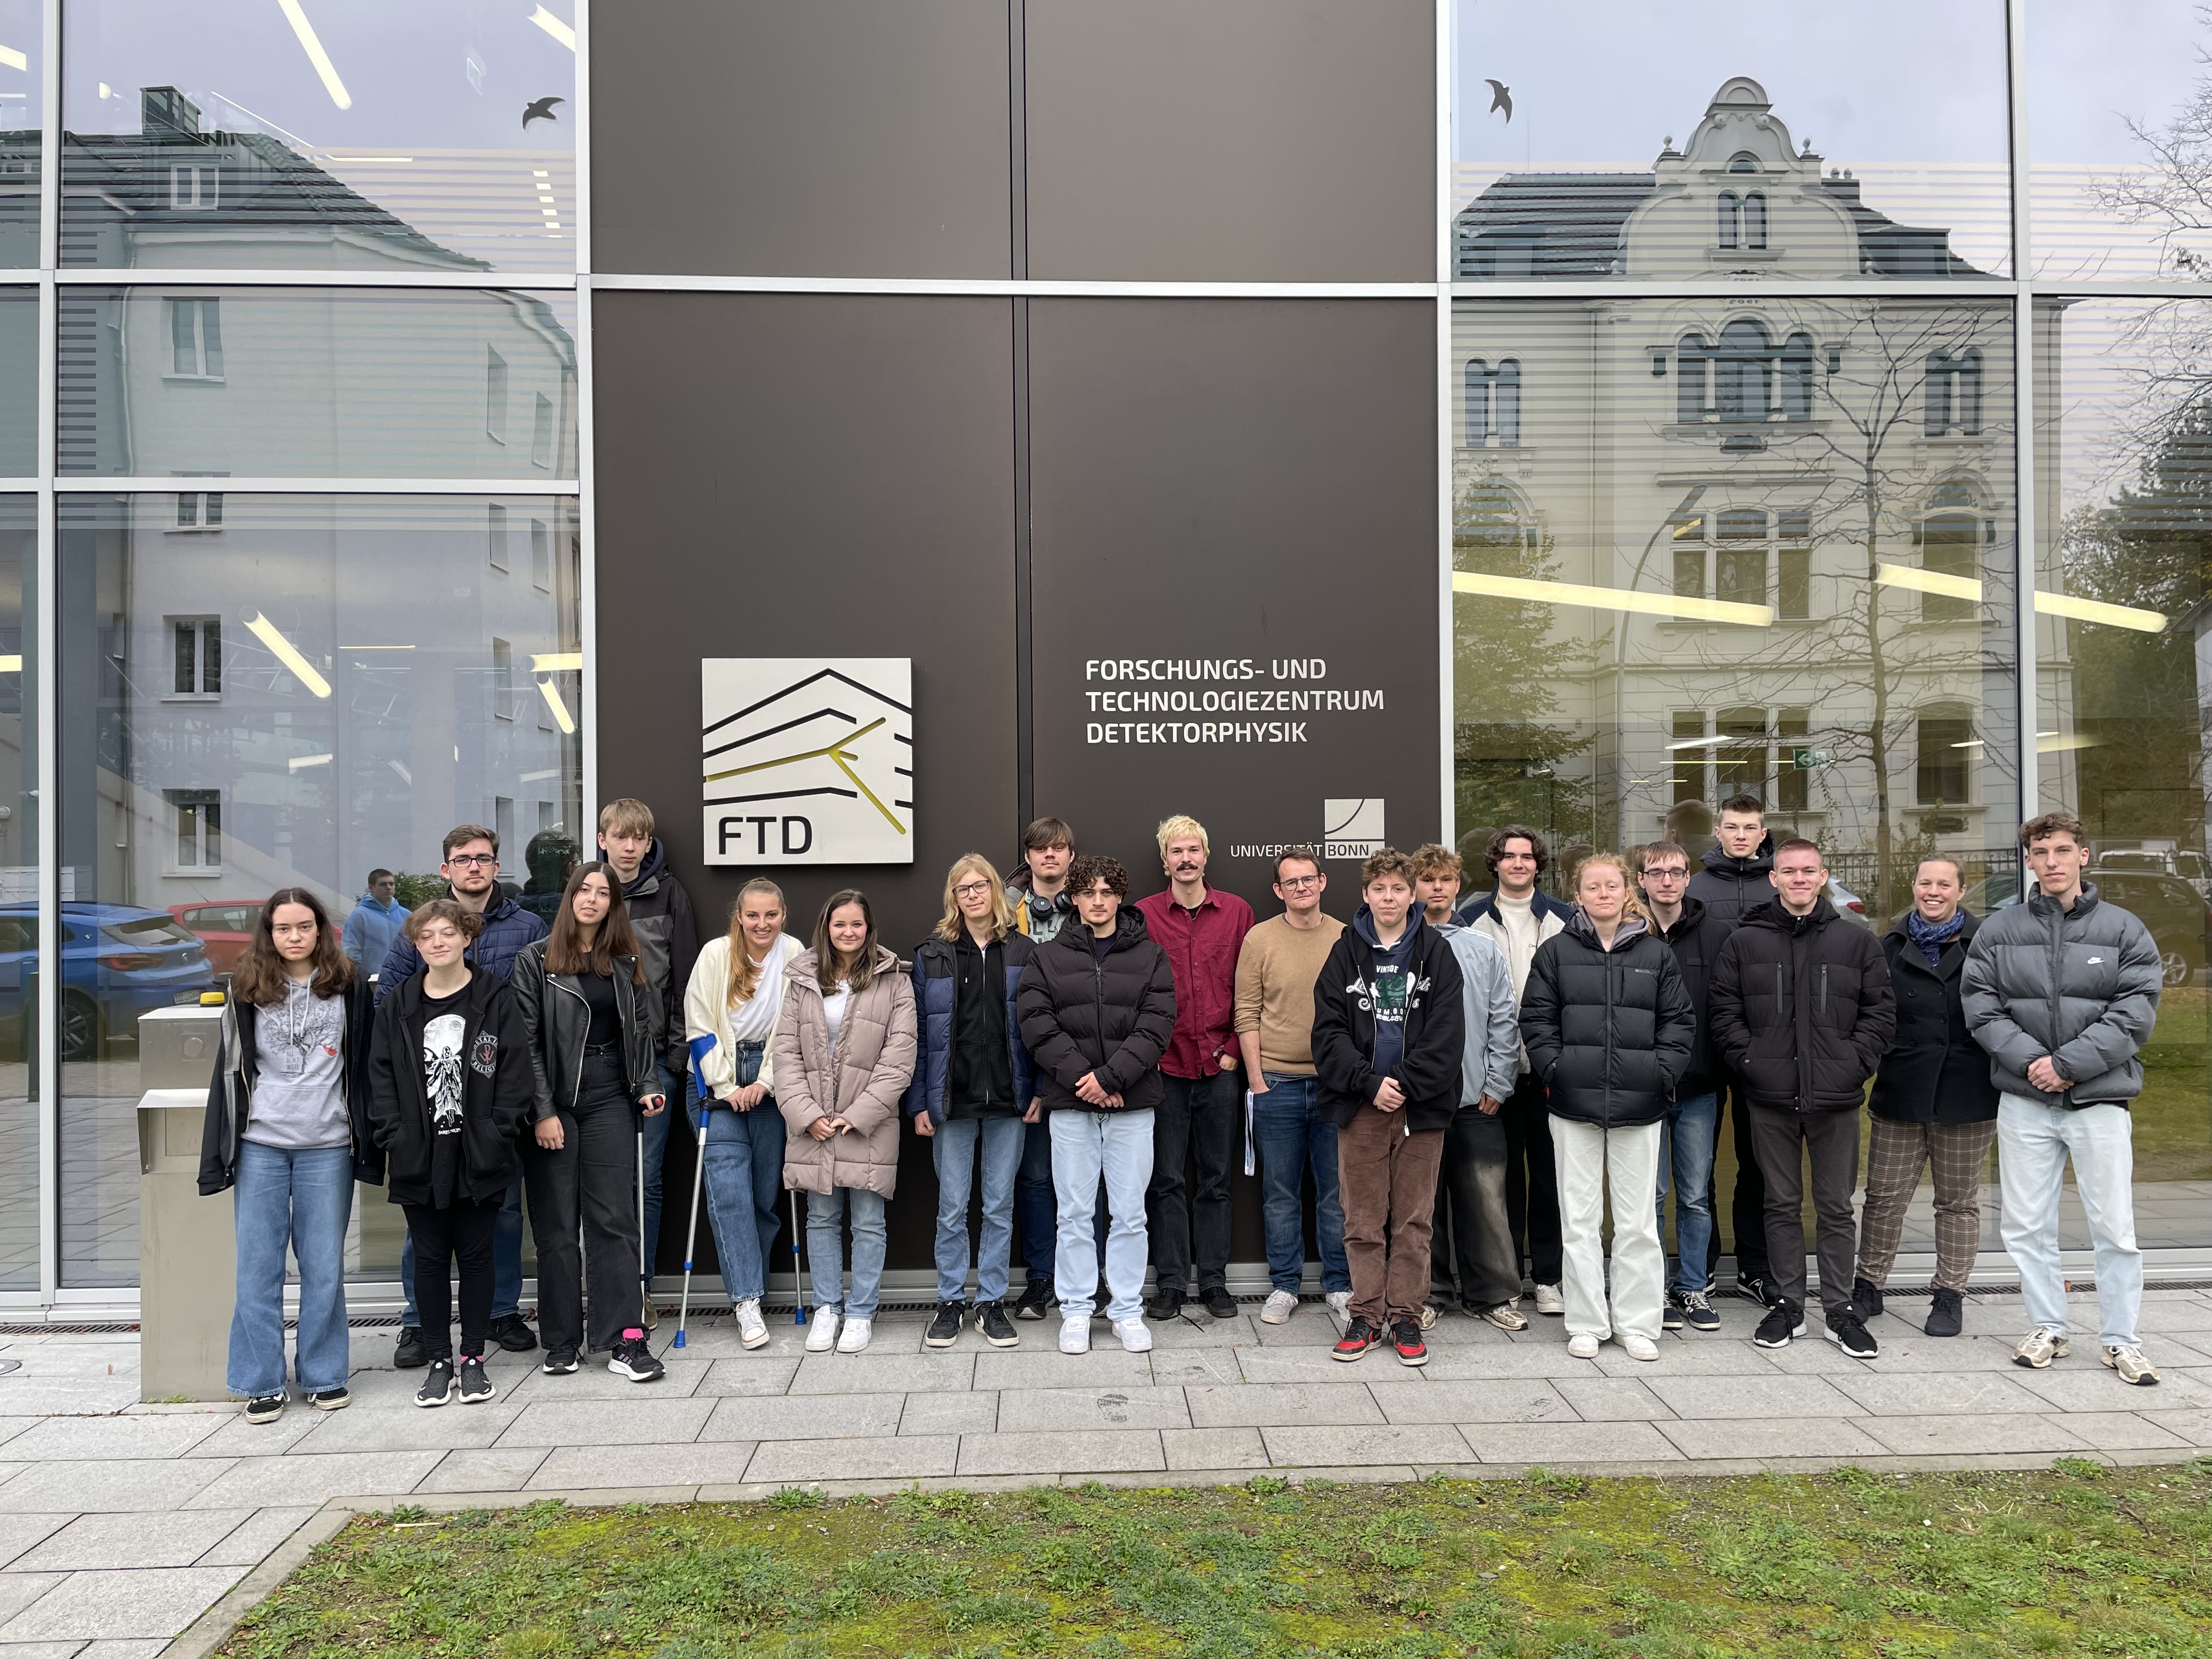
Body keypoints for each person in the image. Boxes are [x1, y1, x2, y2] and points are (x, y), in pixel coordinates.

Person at [1963, 813, 2165, 1385]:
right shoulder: (2000, 932)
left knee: (2115, 1228)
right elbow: (1980, 1005)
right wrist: (2033, 1064)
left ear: (2084, 856)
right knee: (2026, 1225)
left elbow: (2135, 1011)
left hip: (2099, 1100)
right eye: (2040, 852)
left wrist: (2069, 1066)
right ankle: (2048, 1325)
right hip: (2025, 1100)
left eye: (2061, 850)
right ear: (2028, 860)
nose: (2051, 861)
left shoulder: (2125, 931)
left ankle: (2122, 1339)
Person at [1708, 837, 1895, 1358]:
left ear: (1822, 876)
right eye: (1788, 871)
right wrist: (1751, 1063)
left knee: (1835, 1208)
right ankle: (1789, 1305)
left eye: (1807, 871)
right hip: (1769, 1095)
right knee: (1781, 1204)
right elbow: (1724, 1012)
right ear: (1773, 878)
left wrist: (1855, 1064)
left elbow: (1880, 1015)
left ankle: (1839, 1310)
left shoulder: (1856, 943)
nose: (1797, 879)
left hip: (1836, 1097)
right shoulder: (1744, 942)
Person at [201, 890, 381, 1424]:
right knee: (258, 1269)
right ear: (269, 933)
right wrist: (218, 1153)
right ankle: (261, 1381)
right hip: (261, 1145)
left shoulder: (349, 984)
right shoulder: (247, 987)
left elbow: (365, 1066)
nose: (295, 936)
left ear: (321, 931)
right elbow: (228, 1071)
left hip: (327, 1146)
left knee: (324, 1267)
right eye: (284, 928)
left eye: (305, 926)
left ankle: (325, 1374)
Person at [376, 826, 547, 1368]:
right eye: (462, 860)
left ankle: (500, 1312)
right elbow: (390, 1005)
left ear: (497, 867)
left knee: (502, 1216)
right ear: (446, 868)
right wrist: (394, 1129)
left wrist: (505, 1120)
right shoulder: (422, 927)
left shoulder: (528, 927)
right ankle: (417, 1325)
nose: (474, 867)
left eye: (483, 859)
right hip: (424, 1113)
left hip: (491, 1105)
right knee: (423, 1230)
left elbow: (534, 1012)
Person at [1521, 853, 1694, 1362]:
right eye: (1592, 887)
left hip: (1640, 1104)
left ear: (1626, 892)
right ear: (1578, 895)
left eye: (1611, 886)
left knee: (1638, 1221)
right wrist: (1556, 1071)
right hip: (1573, 1104)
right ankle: (1586, 1321)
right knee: (1579, 1218)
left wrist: (1660, 1075)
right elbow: (1536, 1020)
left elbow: (1680, 1024)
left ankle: (1637, 1323)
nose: (1602, 894)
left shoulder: (1656, 955)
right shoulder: (1554, 953)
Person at [511, 864, 669, 1383]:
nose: (593, 899)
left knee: (614, 1219)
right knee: (557, 1227)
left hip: (608, 1097)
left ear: (613, 905)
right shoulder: (534, 962)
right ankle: (560, 1341)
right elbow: (526, 1044)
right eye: (584, 889)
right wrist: (543, 1111)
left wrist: (647, 1085)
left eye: (604, 893)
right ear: (569, 896)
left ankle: (625, 1339)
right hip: (555, 1100)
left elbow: (641, 1030)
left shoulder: (624, 961)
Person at [1017, 855, 1177, 1356]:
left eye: (1108, 892)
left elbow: (1157, 1025)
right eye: (1089, 893)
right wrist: (1084, 1080)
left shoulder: (1150, 956)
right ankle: (1078, 1309)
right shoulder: (1047, 957)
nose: (1098, 901)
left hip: (1132, 1102)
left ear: (1120, 897)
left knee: (1130, 1214)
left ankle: (1127, 1309)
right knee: (1075, 1213)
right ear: (1076, 898)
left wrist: (1111, 1078)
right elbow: (1037, 1024)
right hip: (1071, 1102)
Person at [1314, 848, 1466, 1368]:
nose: (1388, 898)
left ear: (1412, 894)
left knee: (1414, 1220)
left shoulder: (1436, 953)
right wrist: (1368, 1083)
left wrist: (1400, 1083)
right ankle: (1365, 1315)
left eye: (1398, 889)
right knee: (1361, 1219)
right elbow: (1328, 1035)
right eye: (1379, 889)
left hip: (1421, 1109)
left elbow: (1447, 1035)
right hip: (1361, 1106)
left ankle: (1405, 1316)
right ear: (1365, 894)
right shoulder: (1343, 953)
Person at [1855, 856, 1999, 1339]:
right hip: (1902, 1086)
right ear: (1913, 887)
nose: (1933, 891)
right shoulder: (1887, 946)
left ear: (1961, 890)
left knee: (1958, 1203)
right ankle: (1868, 1285)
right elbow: (1870, 1012)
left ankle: (1949, 1294)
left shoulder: (1988, 945)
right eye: (1925, 883)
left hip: (1967, 1089)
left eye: (1944, 884)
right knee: (1883, 1198)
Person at [775, 889, 917, 1356]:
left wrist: (856, 1117)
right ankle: (826, 1308)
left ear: (868, 927)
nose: (849, 932)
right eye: (840, 925)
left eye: (857, 924)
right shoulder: (800, 979)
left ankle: (860, 1311)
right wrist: (807, 1115)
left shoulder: (894, 980)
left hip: (869, 1122)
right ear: (826, 928)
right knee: (821, 1218)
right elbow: (786, 1054)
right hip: (814, 1121)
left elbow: (900, 1058)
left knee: (869, 1221)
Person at [907, 855, 1037, 1350]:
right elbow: (918, 1035)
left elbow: (1040, 1026)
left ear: (996, 893)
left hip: (1009, 1099)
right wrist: (920, 1101)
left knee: (1000, 1207)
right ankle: (949, 1302)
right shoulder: (933, 955)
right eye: (964, 889)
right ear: (953, 898)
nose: (975, 894)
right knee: (951, 1208)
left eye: (982, 885)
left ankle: (991, 1302)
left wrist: (1040, 1090)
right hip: (951, 1100)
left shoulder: (1024, 950)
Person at [1134, 816, 1253, 1321]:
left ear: (1206, 855)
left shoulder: (1238, 913)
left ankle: (1214, 1281)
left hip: (1221, 1066)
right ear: (1165, 861)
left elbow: (1252, 988)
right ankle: (1169, 1283)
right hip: (1163, 1068)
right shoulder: (1140, 916)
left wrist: (1232, 1050)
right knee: (1165, 1180)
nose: (1185, 859)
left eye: (1193, 850)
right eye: (1175, 851)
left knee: (1216, 1180)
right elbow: (1130, 992)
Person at [1453, 825, 1569, 1316]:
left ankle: (1548, 1278)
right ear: (1495, 863)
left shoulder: (1566, 919)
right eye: (1509, 856)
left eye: (1527, 857)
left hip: (1549, 1070)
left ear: (1538, 864)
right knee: (1500, 1183)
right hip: (1491, 1075)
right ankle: (1508, 1275)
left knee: (1548, 1176)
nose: (1518, 864)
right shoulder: (1469, 920)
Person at [597, 799, 703, 1331]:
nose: (630, 846)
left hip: (656, 1062)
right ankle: (602, 1287)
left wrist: (678, 1055)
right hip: (596, 1065)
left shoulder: (669, 894)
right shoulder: (588, 895)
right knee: (601, 1178)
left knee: (648, 1178)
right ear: (603, 840)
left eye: (638, 837)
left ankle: (639, 1290)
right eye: (620, 836)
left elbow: (686, 981)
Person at [682, 878, 801, 1352]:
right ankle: (746, 1300)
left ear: (783, 915)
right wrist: (729, 1087)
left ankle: (754, 1282)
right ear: (739, 917)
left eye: (770, 915)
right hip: (719, 1080)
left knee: (762, 1198)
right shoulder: (715, 954)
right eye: (752, 915)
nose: (762, 924)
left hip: (773, 1077)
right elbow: (698, 1023)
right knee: (729, 1192)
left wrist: (765, 1084)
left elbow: (796, 1028)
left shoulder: (795, 954)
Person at [1234, 847, 1351, 1324]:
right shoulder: (1260, 939)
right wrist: (1258, 1081)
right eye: (1291, 882)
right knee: (1280, 1193)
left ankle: (1340, 1286)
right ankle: (1284, 1286)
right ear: (1279, 891)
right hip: (1276, 1084)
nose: (1301, 888)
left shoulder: (1348, 937)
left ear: (1322, 882)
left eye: (1309, 879)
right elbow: (1246, 1013)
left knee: (1335, 1193)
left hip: (1335, 1086)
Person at [1685, 793, 1775, 1304]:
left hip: (1763, 1046)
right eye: (1732, 826)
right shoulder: (1694, 888)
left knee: (1756, 1161)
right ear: (1717, 833)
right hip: (1704, 1044)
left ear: (1763, 833)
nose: (1741, 835)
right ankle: (1702, 1268)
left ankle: (1754, 1266)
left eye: (1751, 827)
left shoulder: (1779, 885)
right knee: (1697, 1170)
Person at [1635, 840, 1728, 1333]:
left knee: (1694, 1196)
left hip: (1698, 1088)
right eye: (1657, 872)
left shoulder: (1717, 936)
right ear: (1642, 880)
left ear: (1689, 878)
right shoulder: (1630, 935)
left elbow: (1726, 1010)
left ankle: (1692, 1288)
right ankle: (1652, 1289)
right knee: (1648, 1195)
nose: (1667, 881)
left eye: (1675, 872)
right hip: (1644, 1089)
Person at [1432, 886, 1525, 1328]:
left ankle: (1490, 1297)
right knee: (1421, 1206)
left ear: (1455, 887)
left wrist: (1499, 1082)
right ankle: (1428, 1295)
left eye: (1443, 879)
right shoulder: (1398, 948)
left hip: (1477, 1100)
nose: (1434, 887)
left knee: (1486, 1202)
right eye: (1424, 878)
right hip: (1421, 1102)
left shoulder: (1482, 947)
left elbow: (1504, 1017)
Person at [1006, 817, 1082, 1319]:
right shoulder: (1000, 910)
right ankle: (1040, 1280)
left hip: (1081, 1063)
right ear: (1028, 858)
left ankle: (1088, 1280)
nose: (1050, 857)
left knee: (1084, 1181)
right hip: (1021, 1060)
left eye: (1059, 849)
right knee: (1034, 1179)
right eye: (1041, 850)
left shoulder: (1094, 907)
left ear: (1071, 857)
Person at [340, 870, 410, 979]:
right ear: (372, 887)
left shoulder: (406, 915)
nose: (388, 887)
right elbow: (351, 950)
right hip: (372, 980)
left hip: (402, 978)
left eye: (391, 884)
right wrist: (361, 977)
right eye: (383, 884)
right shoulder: (359, 916)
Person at [1411, 843, 1463, 929]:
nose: (1438, 887)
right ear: (1413, 888)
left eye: (1446, 880)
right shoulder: (1396, 938)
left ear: (1457, 886)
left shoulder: (1475, 941)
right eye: (1428, 880)